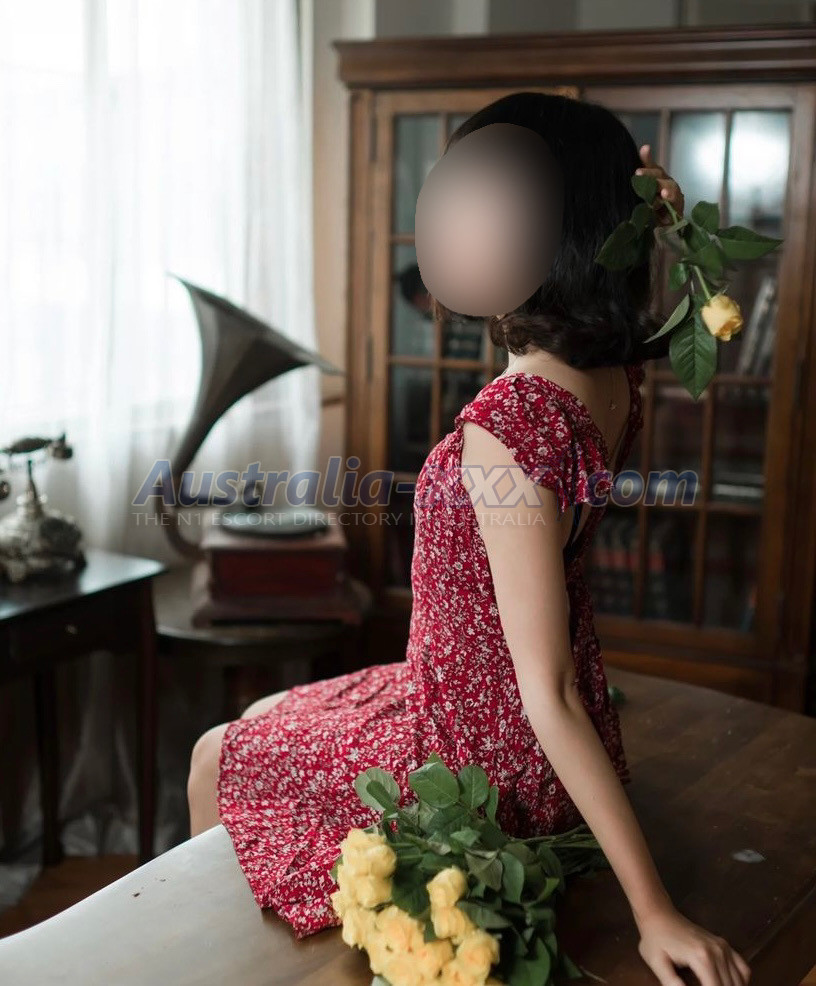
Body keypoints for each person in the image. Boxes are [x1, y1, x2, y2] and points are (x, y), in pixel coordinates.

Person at [187, 92, 751, 986]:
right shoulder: (610, 375)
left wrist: (656, 914)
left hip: (481, 757)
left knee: (217, 753)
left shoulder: (510, 423)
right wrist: (652, 211)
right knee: (260, 718)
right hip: (474, 700)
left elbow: (548, 691)